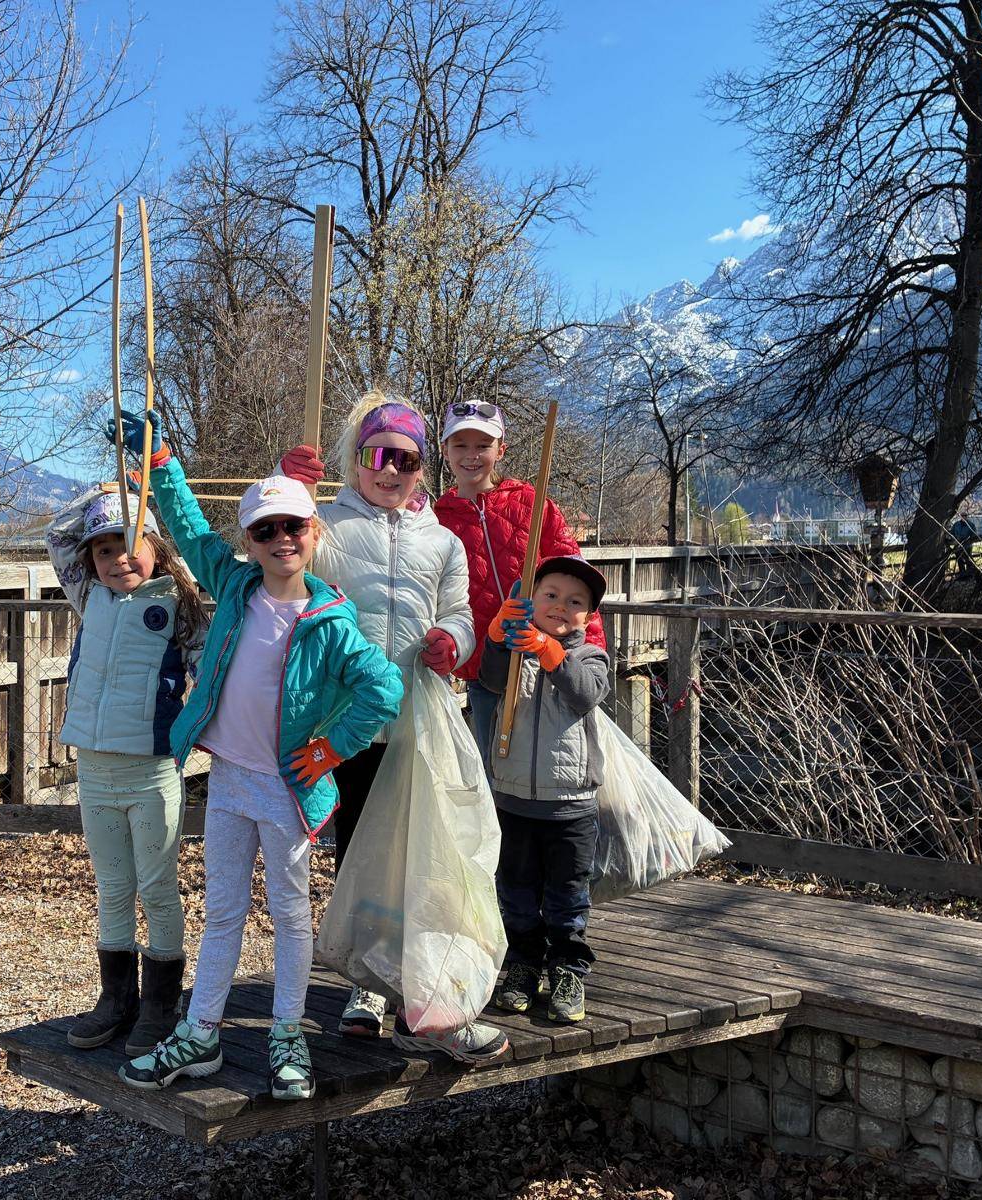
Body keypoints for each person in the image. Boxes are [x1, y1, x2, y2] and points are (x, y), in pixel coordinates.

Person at [113, 413, 403, 1100]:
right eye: (265, 529)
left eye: (293, 526)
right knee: (221, 910)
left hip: (287, 786)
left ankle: (287, 1034)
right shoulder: (237, 587)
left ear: (313, 532)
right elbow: (184, 526)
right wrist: (159, 460)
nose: (280, 539)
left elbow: (383, 688)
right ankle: (202, 1031)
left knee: (291, 910)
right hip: (230, 777)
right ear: (249, 540)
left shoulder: (332, 622)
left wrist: (334, 747)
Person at [280, 392, 509, 1065]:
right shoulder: (324, 528)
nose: (391, 469)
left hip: (418, 721)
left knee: (428, 857)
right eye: (379, 454)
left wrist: (450, 639)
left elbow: (462, 612)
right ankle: (365, 985)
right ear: (357, 459)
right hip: (345, 724)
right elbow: (277, 567)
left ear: (420, 466)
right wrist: (290, 495)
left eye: (406, 458)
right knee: (360, 854)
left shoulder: (439, 540)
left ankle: (421, 982)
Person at [44, 487, 207, 1056]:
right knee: (113, 886)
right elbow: (58, 535)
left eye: (130, 546)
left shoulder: (181, 608)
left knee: (158, 886)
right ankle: (117, 998)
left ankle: (162, 999)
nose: (118, 561)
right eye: (105, 551)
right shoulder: (90, 597)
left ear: (156, 549)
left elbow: (207, 676)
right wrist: (111, 492)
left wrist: (145, 507)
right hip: (95, 769)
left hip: (152, 770)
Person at [431, 400, 608, 775]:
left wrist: (589, 652)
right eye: (460, 444)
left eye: (483, 445)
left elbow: (575, 577)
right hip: (486, 672)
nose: (472, 455)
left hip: (547, 665)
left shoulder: (530, 503)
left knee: (557, 774)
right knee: (496, 776)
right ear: (444, 449)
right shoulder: (435, 520)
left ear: (500, 450)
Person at [478, 554, 611, 1024]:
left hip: (570, 806)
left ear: (588, 616)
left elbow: (584, 693)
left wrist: (548, 653)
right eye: (549, 595)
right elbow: (489, 680)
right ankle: (522, 965)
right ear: (531, 600)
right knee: (514, 890)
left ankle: (568, 969)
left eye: (574, 601)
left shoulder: (589, 657)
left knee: (567, 895)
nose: (560, 606)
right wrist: (498, 637)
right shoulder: (514, 651)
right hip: (513, 798)